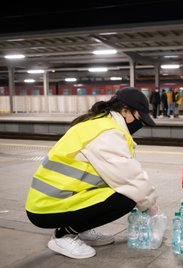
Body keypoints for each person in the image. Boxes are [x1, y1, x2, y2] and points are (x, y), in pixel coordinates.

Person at [25, 87, 159, 259]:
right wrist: (150, 204)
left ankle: (81, 228)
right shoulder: (107, 133)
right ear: (125, 111)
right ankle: (63, 235)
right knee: (128, 198)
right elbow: (130, 178)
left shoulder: (99, 123)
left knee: (120, 189)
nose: (140, 124)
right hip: (46, 207)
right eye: (140, 119)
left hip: (52, 199)